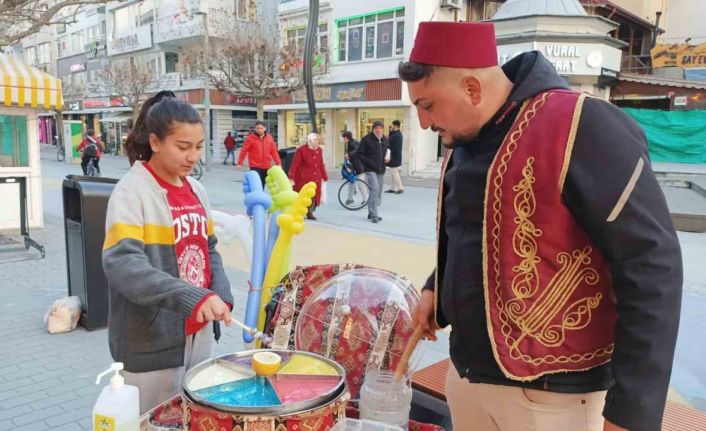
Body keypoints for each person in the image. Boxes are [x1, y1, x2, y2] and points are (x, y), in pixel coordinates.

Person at [402, 22, 682, 431]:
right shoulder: (464, 139)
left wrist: (632, 413)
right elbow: (474, 233)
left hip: (552, 399)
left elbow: (652, 265)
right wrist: (435, 288)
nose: (424, 123)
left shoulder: (582, 125)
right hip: (466, 377)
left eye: (427, 105)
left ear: (472, 89)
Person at [102, 90, 235, 414]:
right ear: (155, 142)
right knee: (152, 421)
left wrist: (219, 291)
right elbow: (123, 264)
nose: (193, 157)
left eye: (199, 147)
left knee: (191, 416)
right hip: (150, 341)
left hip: (196, 334)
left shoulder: (197, 189)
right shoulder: (131, 191)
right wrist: (192, 297)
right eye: (183, 147)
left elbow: (209, 249)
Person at [288, 133, 328, 220]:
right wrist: (291, 176)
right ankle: (301, 211)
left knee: (314, 195)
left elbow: (321, 164)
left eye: (318, 140)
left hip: (316, 177)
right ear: (310, 140)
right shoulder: (301, 150)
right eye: (316, 140)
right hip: (303, 177)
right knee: (303, 195)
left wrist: (324, 176)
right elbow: (295, 164)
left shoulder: (319, 150)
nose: (317, 142)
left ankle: (310, 211)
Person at [356, 120, 390, 223]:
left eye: (380, 128)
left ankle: (371, 212)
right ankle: (374, 214)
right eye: (376, 128)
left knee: (378, 192)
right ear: (373, 129)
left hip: (381, 169)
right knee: (374, 189)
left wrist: (388, 158)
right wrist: (368, 162)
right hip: (370, 169)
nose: (378, 130)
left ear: (382, 129)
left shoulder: (385, 139)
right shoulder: (366, 139)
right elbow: (360, 154)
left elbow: (387, 151)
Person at [236, 121, 281, 185]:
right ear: (255, 129)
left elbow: (274, 151)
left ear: (265, 128)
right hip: (255, 166)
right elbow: (244, 151)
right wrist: (239, 163)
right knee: (257, 184)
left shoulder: (269, 138)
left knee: (263, 183)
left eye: (261, 128)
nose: (259, 130)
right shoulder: (250, 138)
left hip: (267, 166)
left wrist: (278, 163)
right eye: (257, 128)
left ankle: (260, 194)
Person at [385, 119, 404, 194]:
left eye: (392, 125)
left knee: (394, 172)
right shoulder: (397, 134)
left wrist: (389, 155)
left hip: (394, 156)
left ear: (395, 126)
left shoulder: (396, 135)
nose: (391, 126)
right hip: (395, 156)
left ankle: (400, 188)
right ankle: (393, 188)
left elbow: (390, 145)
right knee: (393, 172)